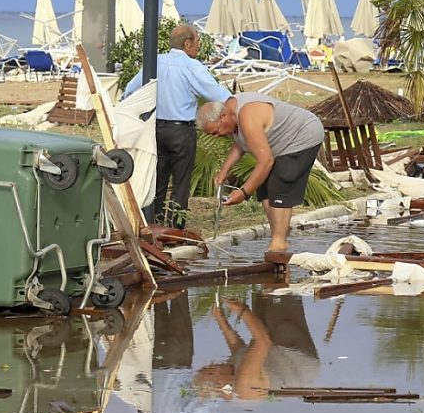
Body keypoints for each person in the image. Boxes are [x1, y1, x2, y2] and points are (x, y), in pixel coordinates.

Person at [123, 25, 231, 229]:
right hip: (181, 130)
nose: (198, 47)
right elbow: (216, 94)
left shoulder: (155, 61)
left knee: (156, 179)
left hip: (155, 128)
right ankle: (175, 228)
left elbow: (130, 90)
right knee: (181, 183)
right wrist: (238, 103)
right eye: (197, 42)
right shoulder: (191, 66)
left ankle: (151, 224)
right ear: (187, 43)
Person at [197, 92, 324, 252]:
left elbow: (266, 161)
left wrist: (244, 192)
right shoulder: (231, 111)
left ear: (223, 116)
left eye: (216, 132)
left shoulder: (247, 115)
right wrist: (224, 171)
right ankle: (278, 236)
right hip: (280, 144)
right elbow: (240, 143)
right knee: (263, 187)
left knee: (280, 182)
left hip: (302, 134)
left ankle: (279, 243)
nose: (217, 136)